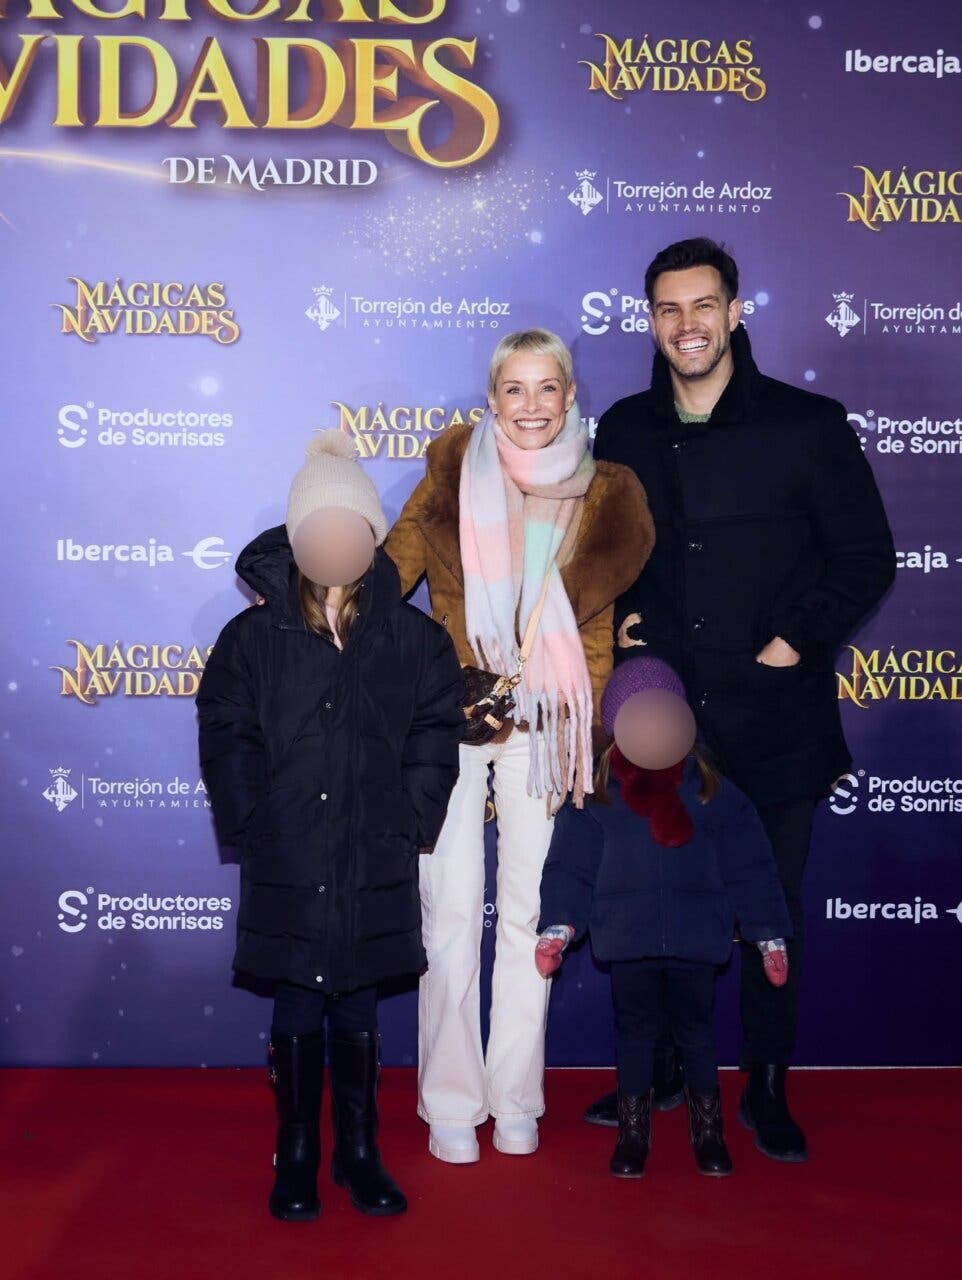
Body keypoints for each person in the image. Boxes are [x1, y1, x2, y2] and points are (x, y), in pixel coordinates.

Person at [586, 237, 896, 1160]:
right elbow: (617, 553)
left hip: (775, 716)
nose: (687, 325)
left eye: (703, 305)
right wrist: (630, 622)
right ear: (650, 320)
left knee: (773, 913)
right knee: (657, 904)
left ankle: (766, 1082)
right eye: (669, 309)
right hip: (663, 721)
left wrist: (788, 644)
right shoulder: (627, 428)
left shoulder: (809, 423)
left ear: (736, 311)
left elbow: (864, 557)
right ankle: (669, 1075)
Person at [385, 329, 655, 1163]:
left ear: (571, 397)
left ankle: (515, 1099)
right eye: (515, 389)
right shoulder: (451, 471)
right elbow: (393, 567)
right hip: (454, 716)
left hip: (553, 724)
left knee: (533, 920)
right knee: (451, 912)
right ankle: (451, 1107)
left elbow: (622, 598)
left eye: (548, 389)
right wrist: (321, 604)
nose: (531, 405)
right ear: (492, 397)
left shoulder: (611, 491)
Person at [197, 431, 464, 1222]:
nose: (335, 542)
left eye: (350, 527)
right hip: (288, 850)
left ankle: (358, 1151)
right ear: (296, 538)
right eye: (318, 529)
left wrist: (413, 816)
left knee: (355, 1001)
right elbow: (226, 727)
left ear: (373, 538)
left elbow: (434, 730)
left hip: (374, 850)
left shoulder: (415, 640)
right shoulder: (253, 638)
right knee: (296, 1002)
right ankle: (298, 1155)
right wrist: (250, 817)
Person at [536, 658, 791, 1178]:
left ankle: (709, 1132)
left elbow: (751, 867)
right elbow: (571, 867)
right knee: (633, 1034)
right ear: (617, 726)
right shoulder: (596, 795)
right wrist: (559, 926)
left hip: (698, 939)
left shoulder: (713, 792)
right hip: (627, 939)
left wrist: (768, 935)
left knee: (697, 1035)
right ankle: (633, 1134)